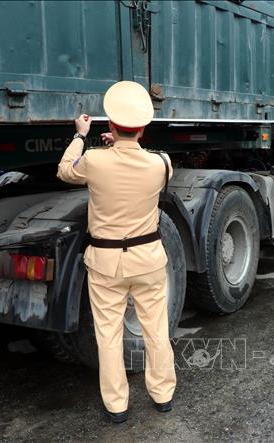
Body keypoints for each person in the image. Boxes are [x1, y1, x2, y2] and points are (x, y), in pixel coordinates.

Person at [57, 81, 176, 422]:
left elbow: (65, 171)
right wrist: (123, 145)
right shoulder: (160, 164)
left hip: (106, 264)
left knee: (109, 336)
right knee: (156, 329)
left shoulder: (93, 160)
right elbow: (154, 160)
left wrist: (81, 136)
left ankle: (117, 406)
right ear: (142, 128)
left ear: (110, 126)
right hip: (149, 261)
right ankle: (163, 394)